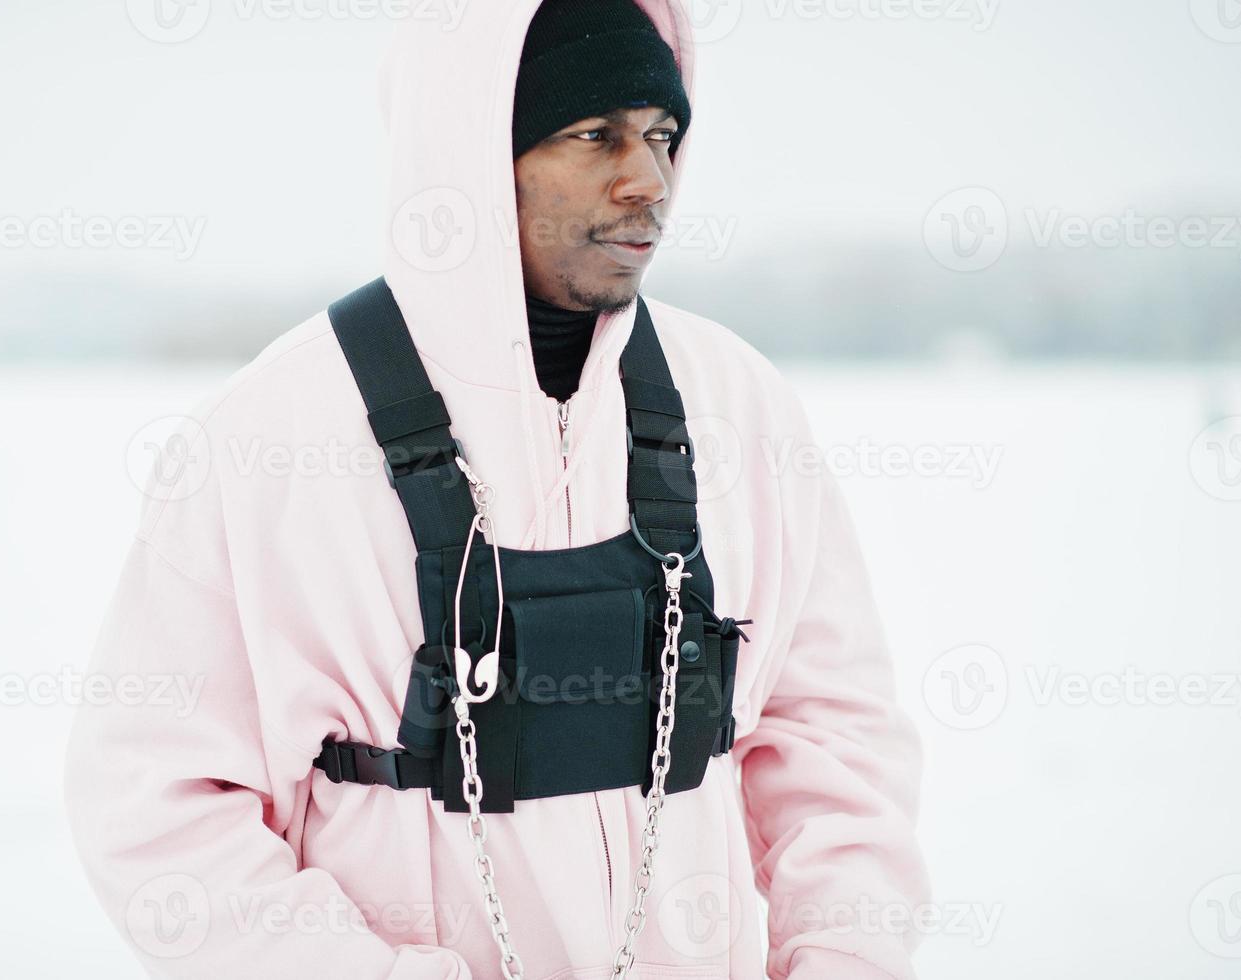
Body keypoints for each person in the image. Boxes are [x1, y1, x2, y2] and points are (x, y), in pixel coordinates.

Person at [63, 1, 932, 977]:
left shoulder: (738, 405)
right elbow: (154, 801)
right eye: (594, 133)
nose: (648, 179)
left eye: (663, 134)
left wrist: (842, 955)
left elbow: (834, 745)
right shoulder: (271, 436)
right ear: (474, 150)